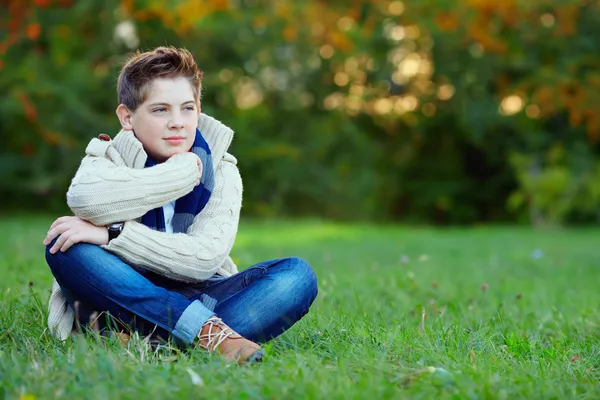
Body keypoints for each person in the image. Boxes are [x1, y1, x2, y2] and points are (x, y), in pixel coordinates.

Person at [43, 46, 318, 364]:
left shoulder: (222, 169)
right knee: (65, 246)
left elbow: (202, 260)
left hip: (198, 290)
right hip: (116, 286)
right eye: (160, 110)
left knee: (297, 276)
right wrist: (180, 172)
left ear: (198, 109)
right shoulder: (108, 155)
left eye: (187, 109)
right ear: (127, 117)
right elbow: (86, 200)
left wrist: (114, 235)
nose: (177, 122)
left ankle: (134, 335)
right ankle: (207, 335)